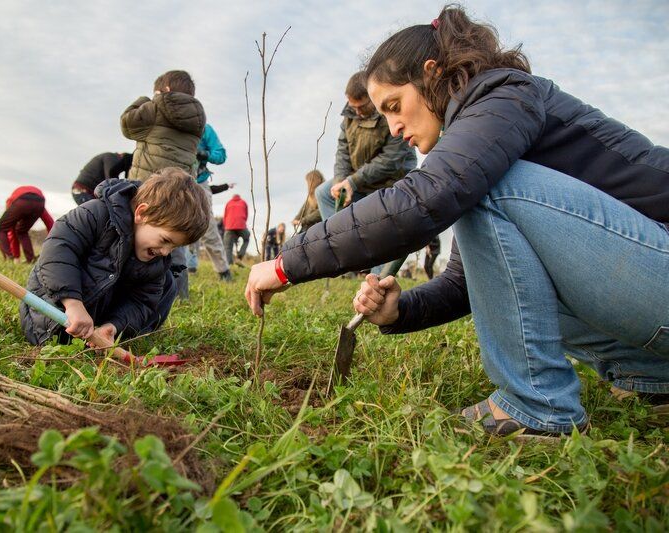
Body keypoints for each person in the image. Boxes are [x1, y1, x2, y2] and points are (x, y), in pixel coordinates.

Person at [245, 5, 669, 439]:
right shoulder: (487, 131)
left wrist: (287, 263)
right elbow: (479, 283)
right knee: (477, 193)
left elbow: (427, 198)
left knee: (477, 186)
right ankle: (654, 374)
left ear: (432, 73)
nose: (393, 128)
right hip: (648, 292)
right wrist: (398, 311)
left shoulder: (505, 95)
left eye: (394, 106)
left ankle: (537, 406)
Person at [20, 167, 209, 346]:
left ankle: (108, 334)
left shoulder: (157, 260)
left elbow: (141, 301)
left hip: (94, 321)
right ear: (141, 213)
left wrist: (114, 326)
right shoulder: (95, 214)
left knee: (168, 281)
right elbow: (58, 251)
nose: (166, 251)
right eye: (165, 240)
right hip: (52, 315)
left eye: (175, 246)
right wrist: (73, 304)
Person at [120, 70, 206, 299]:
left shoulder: (154, 108)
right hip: (179, 190)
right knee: (174, 242)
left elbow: (127, 124)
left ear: (164, 90)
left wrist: (148, 99)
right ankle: (178, 296)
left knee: (133, 237)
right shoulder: (197, 117)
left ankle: (128, 291)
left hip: (146, 185)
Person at [315, 71, 417, 221]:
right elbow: (342, 152)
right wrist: (341, 182)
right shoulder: (349, 117)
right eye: (353, 106)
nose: (357, 112)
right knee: (324, 193)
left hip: (389, 180)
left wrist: (352, 182)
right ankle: (338, 240)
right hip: (360, 181)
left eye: (361, 106)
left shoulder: (389, 113)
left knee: (376, 216)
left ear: (372, 97)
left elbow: (391, 159)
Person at [188, 123, 234, 281]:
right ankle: (183, 268)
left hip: (199, 182)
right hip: (170, 179)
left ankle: (223, 272)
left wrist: (204, 154)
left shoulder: (204, 128)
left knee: (207, 226)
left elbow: (220, 154)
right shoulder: (163, 121)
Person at [0, 185, 55, 263]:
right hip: (40, 201)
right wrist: (56, 241)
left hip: (21, 200)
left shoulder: (11, 202)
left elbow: (12, 230)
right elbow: (50, 222)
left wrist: (16, 256)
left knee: (0, 229)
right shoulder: (37, 203)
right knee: (22, 231)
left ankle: (10, 258)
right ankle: (31, 259)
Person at [223, 193, 250, 266]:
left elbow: (225, 216)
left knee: (228, 246)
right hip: (241, 226)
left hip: (229, 227)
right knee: (246, 239)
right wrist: (242, 223)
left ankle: (229, 263)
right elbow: (246, 215)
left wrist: (226, 227)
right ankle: (239, 257)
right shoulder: (243, 202)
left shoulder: (228, 203)